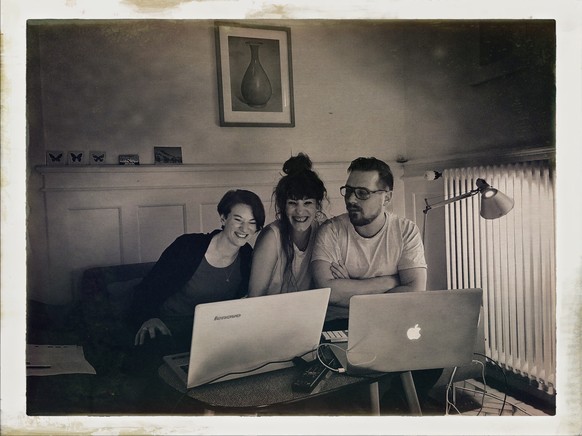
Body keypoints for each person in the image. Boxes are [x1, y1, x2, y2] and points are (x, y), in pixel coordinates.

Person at [311, 157, 439, 409]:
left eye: (362, 193)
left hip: (392, 320)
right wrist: (390, 281)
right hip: (340, 324)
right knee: (339, 377)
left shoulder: (405, 231)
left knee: (435, 350)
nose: (351, 199)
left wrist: (349, 285)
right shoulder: (332, 231)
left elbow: (415, 290)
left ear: (386, 197)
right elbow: (328, 291)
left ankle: (394, 406)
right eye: (348, 190)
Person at [129, 189, 265, 354]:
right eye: (238, 220)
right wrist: (149, 318)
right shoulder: (188, 246)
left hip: (211, 335)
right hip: (168, 329)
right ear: (223, 218)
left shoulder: (247, 256)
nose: (244, 228)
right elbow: (146, 289)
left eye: (252, 222)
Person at [249, 153, 327, 296]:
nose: (300, 211)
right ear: (283, 206)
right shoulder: (271, 238)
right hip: (269, 309)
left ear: (317, 205)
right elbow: (254, 297)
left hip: (308, 308)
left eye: (307, 203)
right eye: (292, 203)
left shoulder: (322, 231)